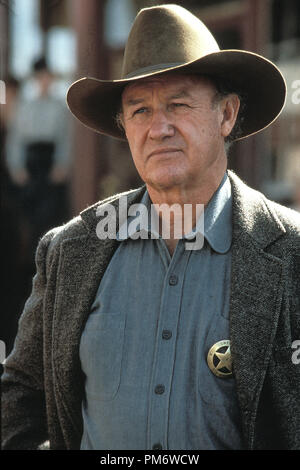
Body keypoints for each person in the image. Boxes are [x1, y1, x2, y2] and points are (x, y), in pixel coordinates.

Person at [2, 4, 300, 451]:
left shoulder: (290, 253)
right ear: (124, 128)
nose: (158, 128)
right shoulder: (71, 251)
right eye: (139, 110)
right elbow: (21, 395)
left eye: (178, 104)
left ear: (227, 115)